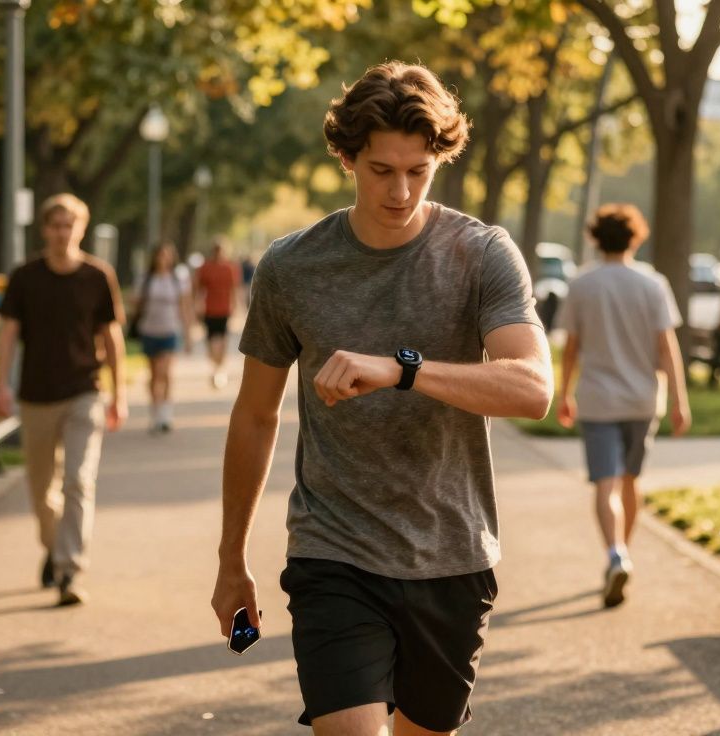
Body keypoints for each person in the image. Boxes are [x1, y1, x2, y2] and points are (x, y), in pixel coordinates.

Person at [211, 61, 553, 736]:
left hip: (451, 551)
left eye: (418, 171)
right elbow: (254, 415)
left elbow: (534, 387)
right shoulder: (292, 266)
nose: (400, 191)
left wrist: (404, 370)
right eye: (381, 170)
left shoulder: (481, 253)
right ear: (346, 158)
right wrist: (231, 562)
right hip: (333, 549)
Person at [555, 203, 691, 609]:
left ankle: (616, 554)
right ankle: (621, 554)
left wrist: (564, 394)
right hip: (643, 399)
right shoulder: (652, 284)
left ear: (596, 239)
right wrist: (681, 401)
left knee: (606, 484)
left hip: (597, 400)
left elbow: (571, 349)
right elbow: (668, 350)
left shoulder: (581, 285)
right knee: (631, 481)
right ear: (635, 238)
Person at [0, 192, 127, 607]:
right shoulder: (24, 277)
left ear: (80, 229)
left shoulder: (97, 275)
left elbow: (111, 337)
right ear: (45, 229)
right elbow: (8, 335)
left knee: (77, 481)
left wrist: (118, 394)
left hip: (84, 392)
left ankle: (70, 570)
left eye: (69, 225)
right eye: (55, 225)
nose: (62, 232)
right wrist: (0, 384)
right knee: (40, 490)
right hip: (35, 396)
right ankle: (53, 547)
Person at [133, 241, 193, 433]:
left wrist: (187, 333)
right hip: (149, 330)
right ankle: (155, 411)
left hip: (170, 330)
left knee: (165, 372)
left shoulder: (178, 278)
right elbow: (137, 304)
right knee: (153, 375)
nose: (163, 258)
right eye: (160, 254)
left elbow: (184, 307)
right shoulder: (145, 279)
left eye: (167, 255)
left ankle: (166, 415)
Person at [193, 238, 242, 388]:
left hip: (224, 309)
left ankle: (219, 369)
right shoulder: (205, 267)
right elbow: (198, 288)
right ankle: (216, 367)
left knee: (223, 340)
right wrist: (197, 305)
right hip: (209, 309)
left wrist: (236, 307)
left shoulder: (230, 268)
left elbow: (234, 289)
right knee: (210, 341)